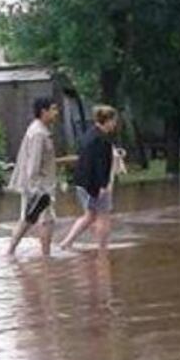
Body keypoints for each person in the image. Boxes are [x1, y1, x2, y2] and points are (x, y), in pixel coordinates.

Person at [58, 106, 120, 253]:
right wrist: (103, 186)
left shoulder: (88, 135)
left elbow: (85, 160)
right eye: (114, 121)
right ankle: (102, 251)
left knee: (90, 215)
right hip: (95, 185)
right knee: (103, 216)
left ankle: (66, 243)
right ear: (107, 120)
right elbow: (99, 164)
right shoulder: (102, 139)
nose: (115, 124)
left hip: (83, 183)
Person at [7, 97, 61, 257]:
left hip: (38, 185)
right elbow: (33, 165)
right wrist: (38, 190)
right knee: (46, 221)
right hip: (39, 186)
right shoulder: (39, 133)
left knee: (27, 219)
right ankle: (46, 257)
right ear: (44, 111)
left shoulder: (39, 130)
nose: (56, 113)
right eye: (53, 109)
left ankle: (10, 252)